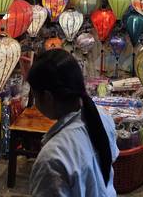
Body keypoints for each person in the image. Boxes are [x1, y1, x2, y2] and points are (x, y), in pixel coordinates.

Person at [27, 49, 119, 197]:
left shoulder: (52, 158)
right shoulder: (102, 116)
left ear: (48, 97)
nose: (34, 103)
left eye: (34, 96)